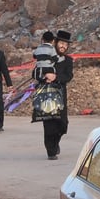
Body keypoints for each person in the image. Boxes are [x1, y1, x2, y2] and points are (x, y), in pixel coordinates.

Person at [33, 30, 75, 160]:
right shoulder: (46, 56)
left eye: (65, 44)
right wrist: (44, 75)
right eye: (61, 43)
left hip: (60, 95)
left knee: (63, 125)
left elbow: (68, 76)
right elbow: (35, 73)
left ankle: (55, 143)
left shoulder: (68, 60)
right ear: (55, 43)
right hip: (46, 95)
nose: (63, 46)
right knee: (49, 125)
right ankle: (51, 151)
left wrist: (55, 77)